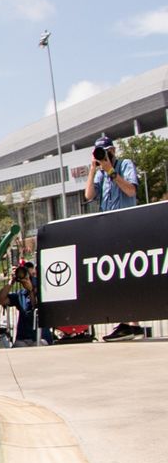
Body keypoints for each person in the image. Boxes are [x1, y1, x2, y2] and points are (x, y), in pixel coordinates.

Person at [83, 134, 145, 340]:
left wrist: (111, 171)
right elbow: (89, 195)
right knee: (115, 276)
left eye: (107, 153)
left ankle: (131, 323)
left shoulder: (125, 165)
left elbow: (130, 191)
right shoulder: (99, 173)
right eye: (100, 154)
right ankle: (128, 323)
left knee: (128, 274)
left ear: (113, 151)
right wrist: (93, 170)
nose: (104, 157)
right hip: (108, 230)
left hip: (127, 226)